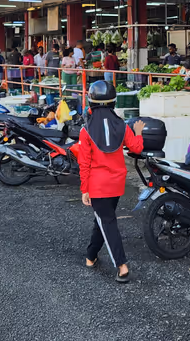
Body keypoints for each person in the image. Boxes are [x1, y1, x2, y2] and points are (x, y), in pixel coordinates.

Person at [72, 81, 145, 283]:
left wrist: (84, 189)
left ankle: (122, 266)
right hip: (117, 183)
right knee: (103, 219)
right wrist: (139, 132)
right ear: (113, 102)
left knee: (107, 222)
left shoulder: (85, 130)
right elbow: (136, 148)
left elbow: (84, 163)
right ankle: (90, 256)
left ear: (91, 102)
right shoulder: (122, 125)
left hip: (97, 185)